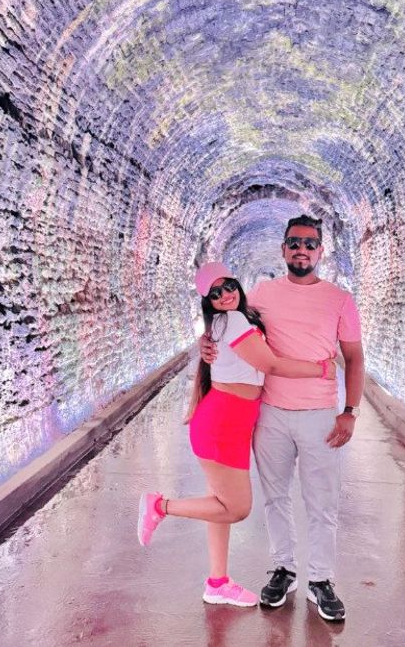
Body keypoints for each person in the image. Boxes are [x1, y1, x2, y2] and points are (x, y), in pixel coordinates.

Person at [135, 260, 336, 608]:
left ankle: (217, 582)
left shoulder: (235, 317)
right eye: (216, 293)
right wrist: (320, 368)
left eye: (228, 286)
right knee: (237, 508)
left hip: (231, 424)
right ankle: (159, 506)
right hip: (222, 425)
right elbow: (270, 364)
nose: (225, 294)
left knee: (219, 505)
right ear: (208, 302)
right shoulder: (236, 319)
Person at [198, 214, 363, 622]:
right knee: (275, 497)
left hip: (319, 415)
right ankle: (283, 569)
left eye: (309, 243)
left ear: (321, 251)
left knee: (321, 503)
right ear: (284, 249)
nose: (301, 249)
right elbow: (228, 322)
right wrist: (205, 342)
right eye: (294, 243)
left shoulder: (340, 299)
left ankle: (321, 580)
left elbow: (355, 358)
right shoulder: (261, 294)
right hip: (269, 414)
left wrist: (350, 412)